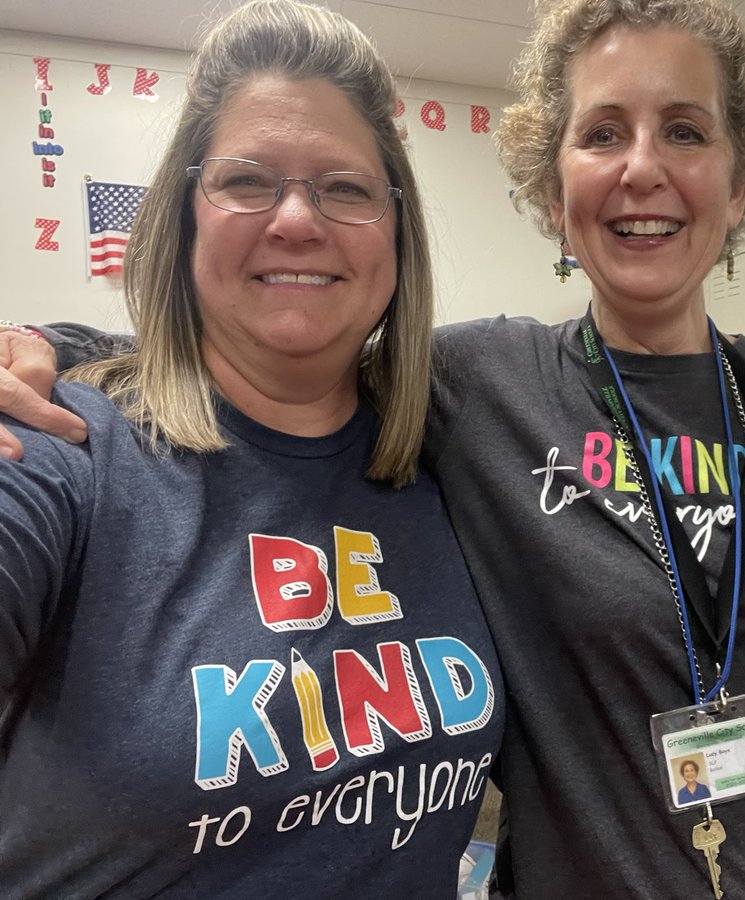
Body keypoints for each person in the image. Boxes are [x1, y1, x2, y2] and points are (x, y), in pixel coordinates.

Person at [2, 0, 745, 896]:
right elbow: (279, 333)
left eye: (686, 129)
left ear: (739, 178)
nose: (643, 167)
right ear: (554, 185)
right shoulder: (480, 386)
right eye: (602, 132)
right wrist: (54, 349)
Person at [0, 2, 502, 897]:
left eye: (345, 188)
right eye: (248, 181)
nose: (297, 221)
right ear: (186, 221)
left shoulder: (455, 456)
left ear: (396, 233)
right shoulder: (61, 449)